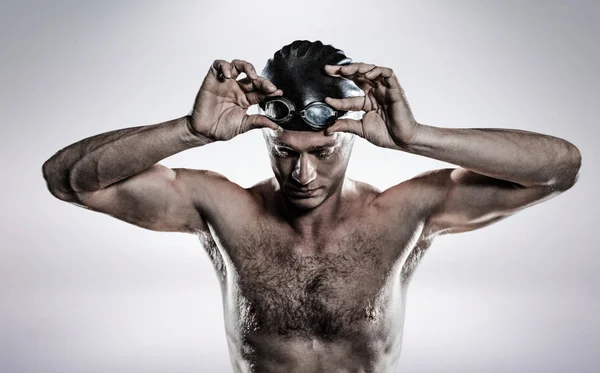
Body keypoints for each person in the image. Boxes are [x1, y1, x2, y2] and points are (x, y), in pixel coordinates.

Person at [42, 40, 582, 373]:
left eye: (322, 153)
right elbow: (69, 181)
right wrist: (189, 131)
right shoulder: (219, 206)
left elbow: (559, 168)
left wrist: (418, 137)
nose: (303, 175)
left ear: (350, 137)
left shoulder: (408, 210)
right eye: (285, 153)